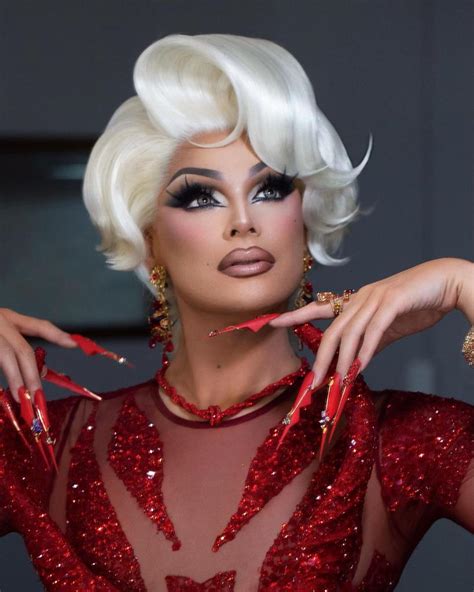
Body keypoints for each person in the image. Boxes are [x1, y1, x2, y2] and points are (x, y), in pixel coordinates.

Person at [0, 33, 472, 592]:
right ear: (149, 243)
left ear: (305, 216)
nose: (244, 221)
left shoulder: (402, 439)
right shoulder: (42, 445)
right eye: (201, 197)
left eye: (270, 189)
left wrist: (463, 282)